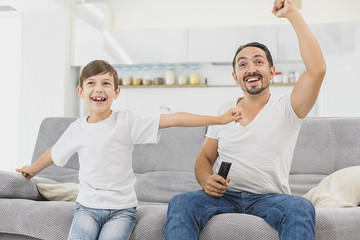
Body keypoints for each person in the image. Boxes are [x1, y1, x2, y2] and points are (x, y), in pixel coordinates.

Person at [16, 59, 242, 240]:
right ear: (81, 91)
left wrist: (219, 119)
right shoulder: (76, 129)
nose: (99, 89)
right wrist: (33, 169)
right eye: (92, 83)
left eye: (106, 83)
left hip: (122, 211)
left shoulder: (127, 121)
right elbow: (53, 154)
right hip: (86, 207)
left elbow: (174, 119)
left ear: (116, 92)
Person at [164, 0, 326, 239]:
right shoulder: (224, 110)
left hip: (270, 198)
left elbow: (317, 70)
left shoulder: (287, 107)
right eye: (243, 64)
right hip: (224, 196)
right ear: (235, 77)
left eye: (259, 62)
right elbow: (205, 158)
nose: (251, 68)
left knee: (301, 207)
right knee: (181, 202)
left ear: (272, 72)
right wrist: (207, 180)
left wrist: (292, 14)